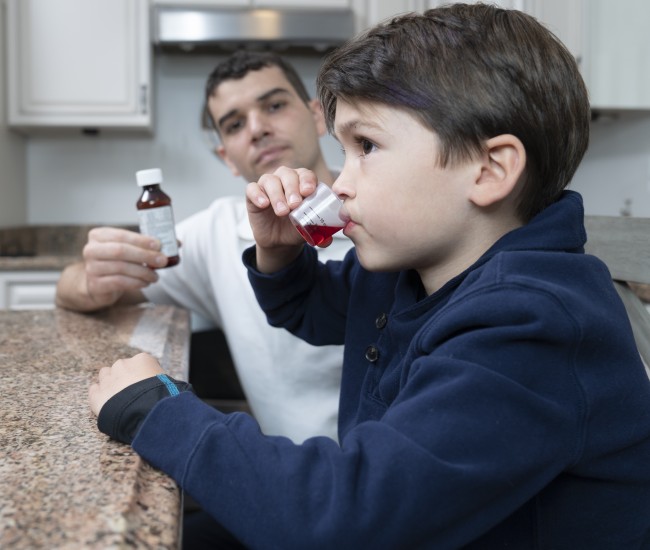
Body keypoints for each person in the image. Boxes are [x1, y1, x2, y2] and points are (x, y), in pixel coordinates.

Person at [88, 4, 650, 548]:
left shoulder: (531, 324)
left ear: (490, 169)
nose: (342, 183)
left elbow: (343, 518)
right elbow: (311, 310)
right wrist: (282, 256)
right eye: (345, 150)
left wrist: (154, 409)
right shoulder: (410, 267)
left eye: (367, 146)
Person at [56, 51, 352, 443]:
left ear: (318, 116)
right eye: (234, 124)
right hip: (290, 477)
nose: (257, 128)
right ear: (226, 157)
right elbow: (73, 290)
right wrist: (91, 278)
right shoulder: (216, 234)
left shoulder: (379, 211)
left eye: (275, 105)